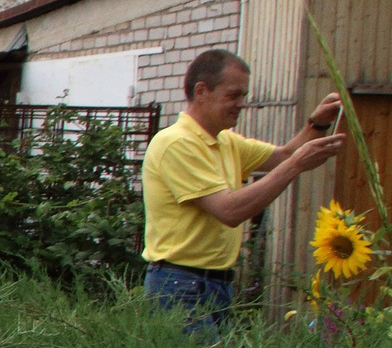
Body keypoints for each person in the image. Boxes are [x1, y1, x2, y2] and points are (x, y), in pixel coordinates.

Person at [141, 48, 346, 332]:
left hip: (211, 283)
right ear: (201, 91)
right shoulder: (177, 143)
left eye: (244, 95)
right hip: (181, 284)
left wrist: (318, 122)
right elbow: (229, 210)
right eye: (234, 95)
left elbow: (285, 155)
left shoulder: (225, 141)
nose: (242, 104)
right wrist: (296, 165)